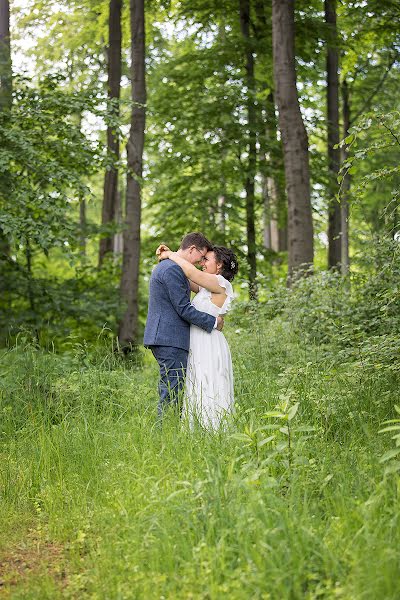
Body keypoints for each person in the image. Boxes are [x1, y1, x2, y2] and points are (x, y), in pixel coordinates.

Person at [157, 243, 238, 429]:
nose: (202, 262)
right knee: (197, 384)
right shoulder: (205, 287)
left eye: (206, 259)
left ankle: (214, 430)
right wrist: (173, 253)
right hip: (198, 342)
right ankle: (196, 430)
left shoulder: (221, 283)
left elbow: (192, 273)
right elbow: (183, 275)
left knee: (210, 384)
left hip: (209, 343)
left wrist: (170, 255)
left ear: (219, 265)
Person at [143, 232, 224, 418]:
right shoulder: (171, 269)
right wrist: (213, 322)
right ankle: (164, 438)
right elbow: (184, 309)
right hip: (169, 338)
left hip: (167, 337)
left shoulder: (172, 267)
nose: (201, 261)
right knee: (171, 393)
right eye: (201, 256)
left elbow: (199, 285)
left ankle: (169, 434)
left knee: (173, 390)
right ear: (193, 249)